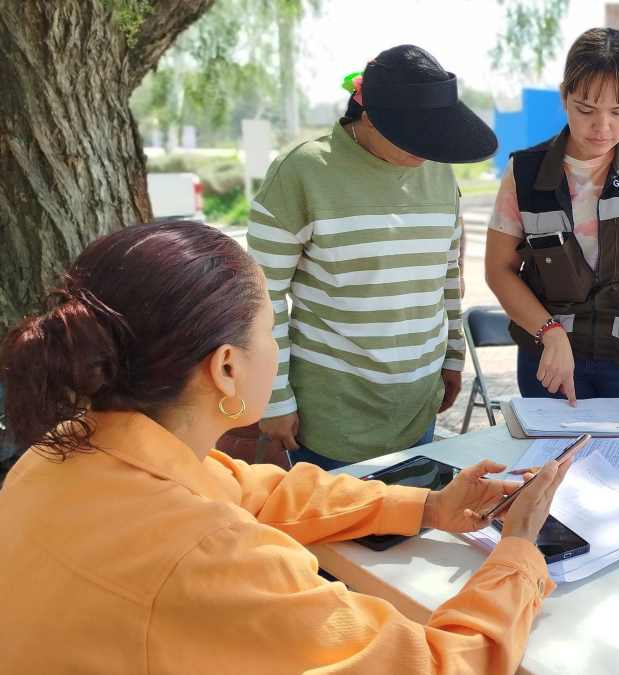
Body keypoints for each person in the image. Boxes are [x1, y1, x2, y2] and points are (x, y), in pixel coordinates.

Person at [0, 221, 571, 673]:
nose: (275, 349)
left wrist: (429, 506)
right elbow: (441, 666)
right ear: (227, 367)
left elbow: (254, 491)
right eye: (272, 329)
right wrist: (519, 550)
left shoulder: (59, 452)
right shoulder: (209, 556)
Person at [250, 45, 495, 469]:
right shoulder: (302, 171)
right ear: (369, 116)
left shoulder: (439, 171)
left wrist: (454, 356)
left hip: (419, 406)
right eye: (416, 136)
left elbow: (446, 274)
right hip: (331, 417)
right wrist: (274, 399)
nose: (428, 149)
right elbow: (260, 295)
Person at [484, 28, 619, 405]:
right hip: (552, 362)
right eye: (586, 110)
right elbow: (498, 269)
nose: (602, 127)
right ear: (564, 98)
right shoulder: (524, 174)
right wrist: (549, 331)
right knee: (553, 447)